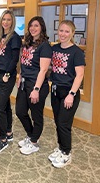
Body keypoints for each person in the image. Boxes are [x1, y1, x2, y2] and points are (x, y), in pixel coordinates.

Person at [48, 20, 85, 168]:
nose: (63, 34)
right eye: (61, 30)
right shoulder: (55, 48)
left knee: (64, 123)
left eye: (67, 31)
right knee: (58, 121)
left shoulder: (76, 52)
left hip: (69, 93)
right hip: (55, 90)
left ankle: (67, 153)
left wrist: (71, 94)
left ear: (72, 33)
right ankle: (61, 147)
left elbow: (80, 75)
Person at [15, 16, 52, 155]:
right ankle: (31, 136)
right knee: (20, 111)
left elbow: (43, 70)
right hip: (25, 82)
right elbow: (23, 63)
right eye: (31, 26)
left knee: (36, 116)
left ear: (41, 27)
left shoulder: (45, 46)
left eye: (36, 25)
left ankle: (34, 142)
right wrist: (20, 76)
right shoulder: (27, 43)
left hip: (37, 85)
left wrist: (36, 89)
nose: (33, 28)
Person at [0, 10, 22, 154]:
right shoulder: (2, 37)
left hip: (6, 75)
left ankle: (3, 140)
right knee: (5, 105)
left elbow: (14, 59)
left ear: (12, 21)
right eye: (4, 19)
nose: (6, 22)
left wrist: (8, 74)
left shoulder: (14, 38)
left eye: (9, 20)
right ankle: (8, 133)